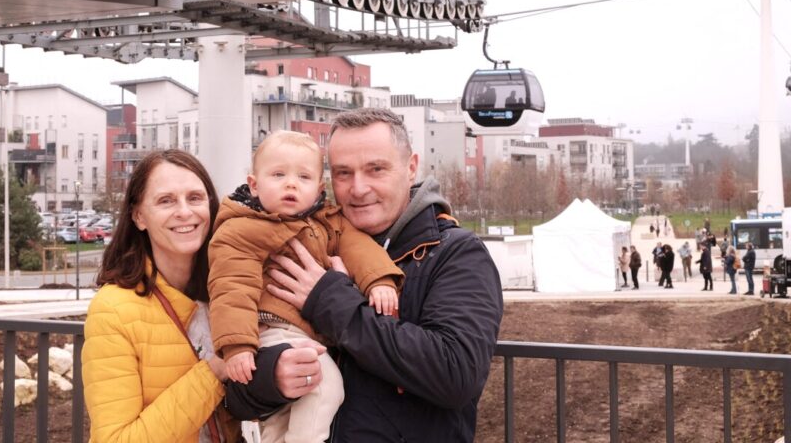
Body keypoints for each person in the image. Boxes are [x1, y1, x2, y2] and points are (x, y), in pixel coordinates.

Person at [225, 108, 504, 441]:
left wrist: (331, 300)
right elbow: (233, 398)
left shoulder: (455, 253)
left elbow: (455, 374)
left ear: (411, 167)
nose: (358, 188)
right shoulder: (299, 243)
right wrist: (272, 377)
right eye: (344, 173)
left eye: (376, 169)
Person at [207, 131, 404, 443]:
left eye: (303, 177)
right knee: (323, 385)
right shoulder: (241, 229)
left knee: (283, 417)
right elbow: (231, 287)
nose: (291, 184)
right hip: (272, 329)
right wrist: (237, 345)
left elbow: (359, 249)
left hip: (304, 332)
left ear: (319, 190)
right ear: (254, 185)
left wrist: (379, 280)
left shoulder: (327, 222)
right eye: (278, 175)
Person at [82, 149, 239, 443]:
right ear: (139, 216)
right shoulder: (113, 310)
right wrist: (213, 373)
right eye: (166, 200)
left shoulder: (231, 290)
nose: (184, 211)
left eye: (195, 198)